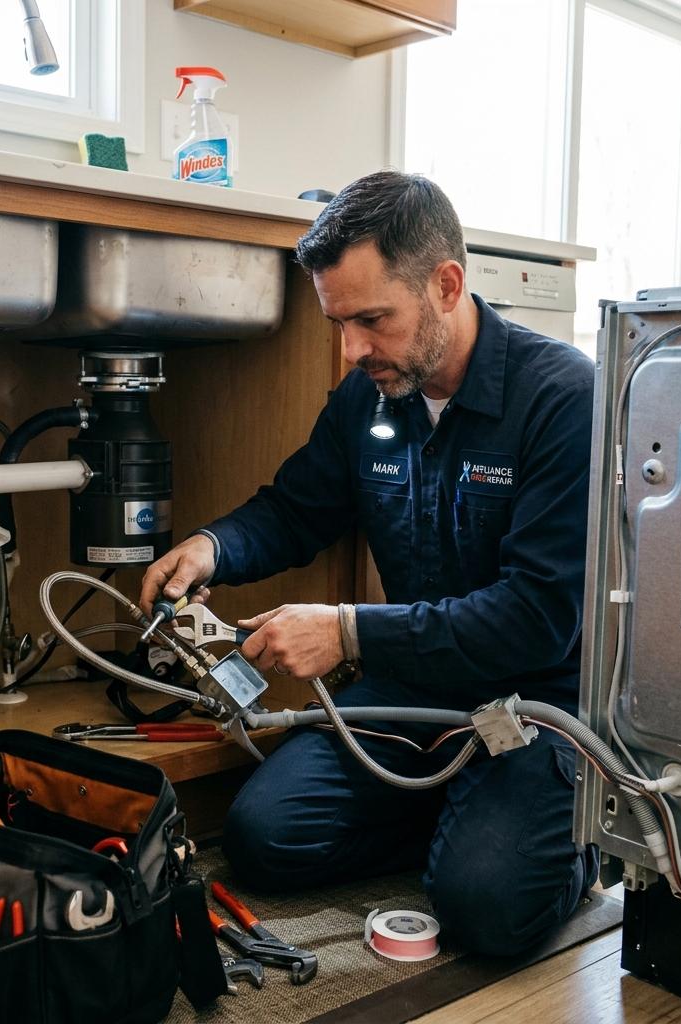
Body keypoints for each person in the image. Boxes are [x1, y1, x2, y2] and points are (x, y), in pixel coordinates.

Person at [140, 170, 597, 956]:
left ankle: (576, 836)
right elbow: (295, 510)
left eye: (372, 320)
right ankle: (459, 815)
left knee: (487, 910)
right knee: (262, 838)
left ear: (445, 285)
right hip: (413, 690)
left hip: (536, 704)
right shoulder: (370, 397)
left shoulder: (562, 397)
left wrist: (346, 632)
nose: (352, 350)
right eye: (339, 323)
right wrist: (212, 547)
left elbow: (536, 619)